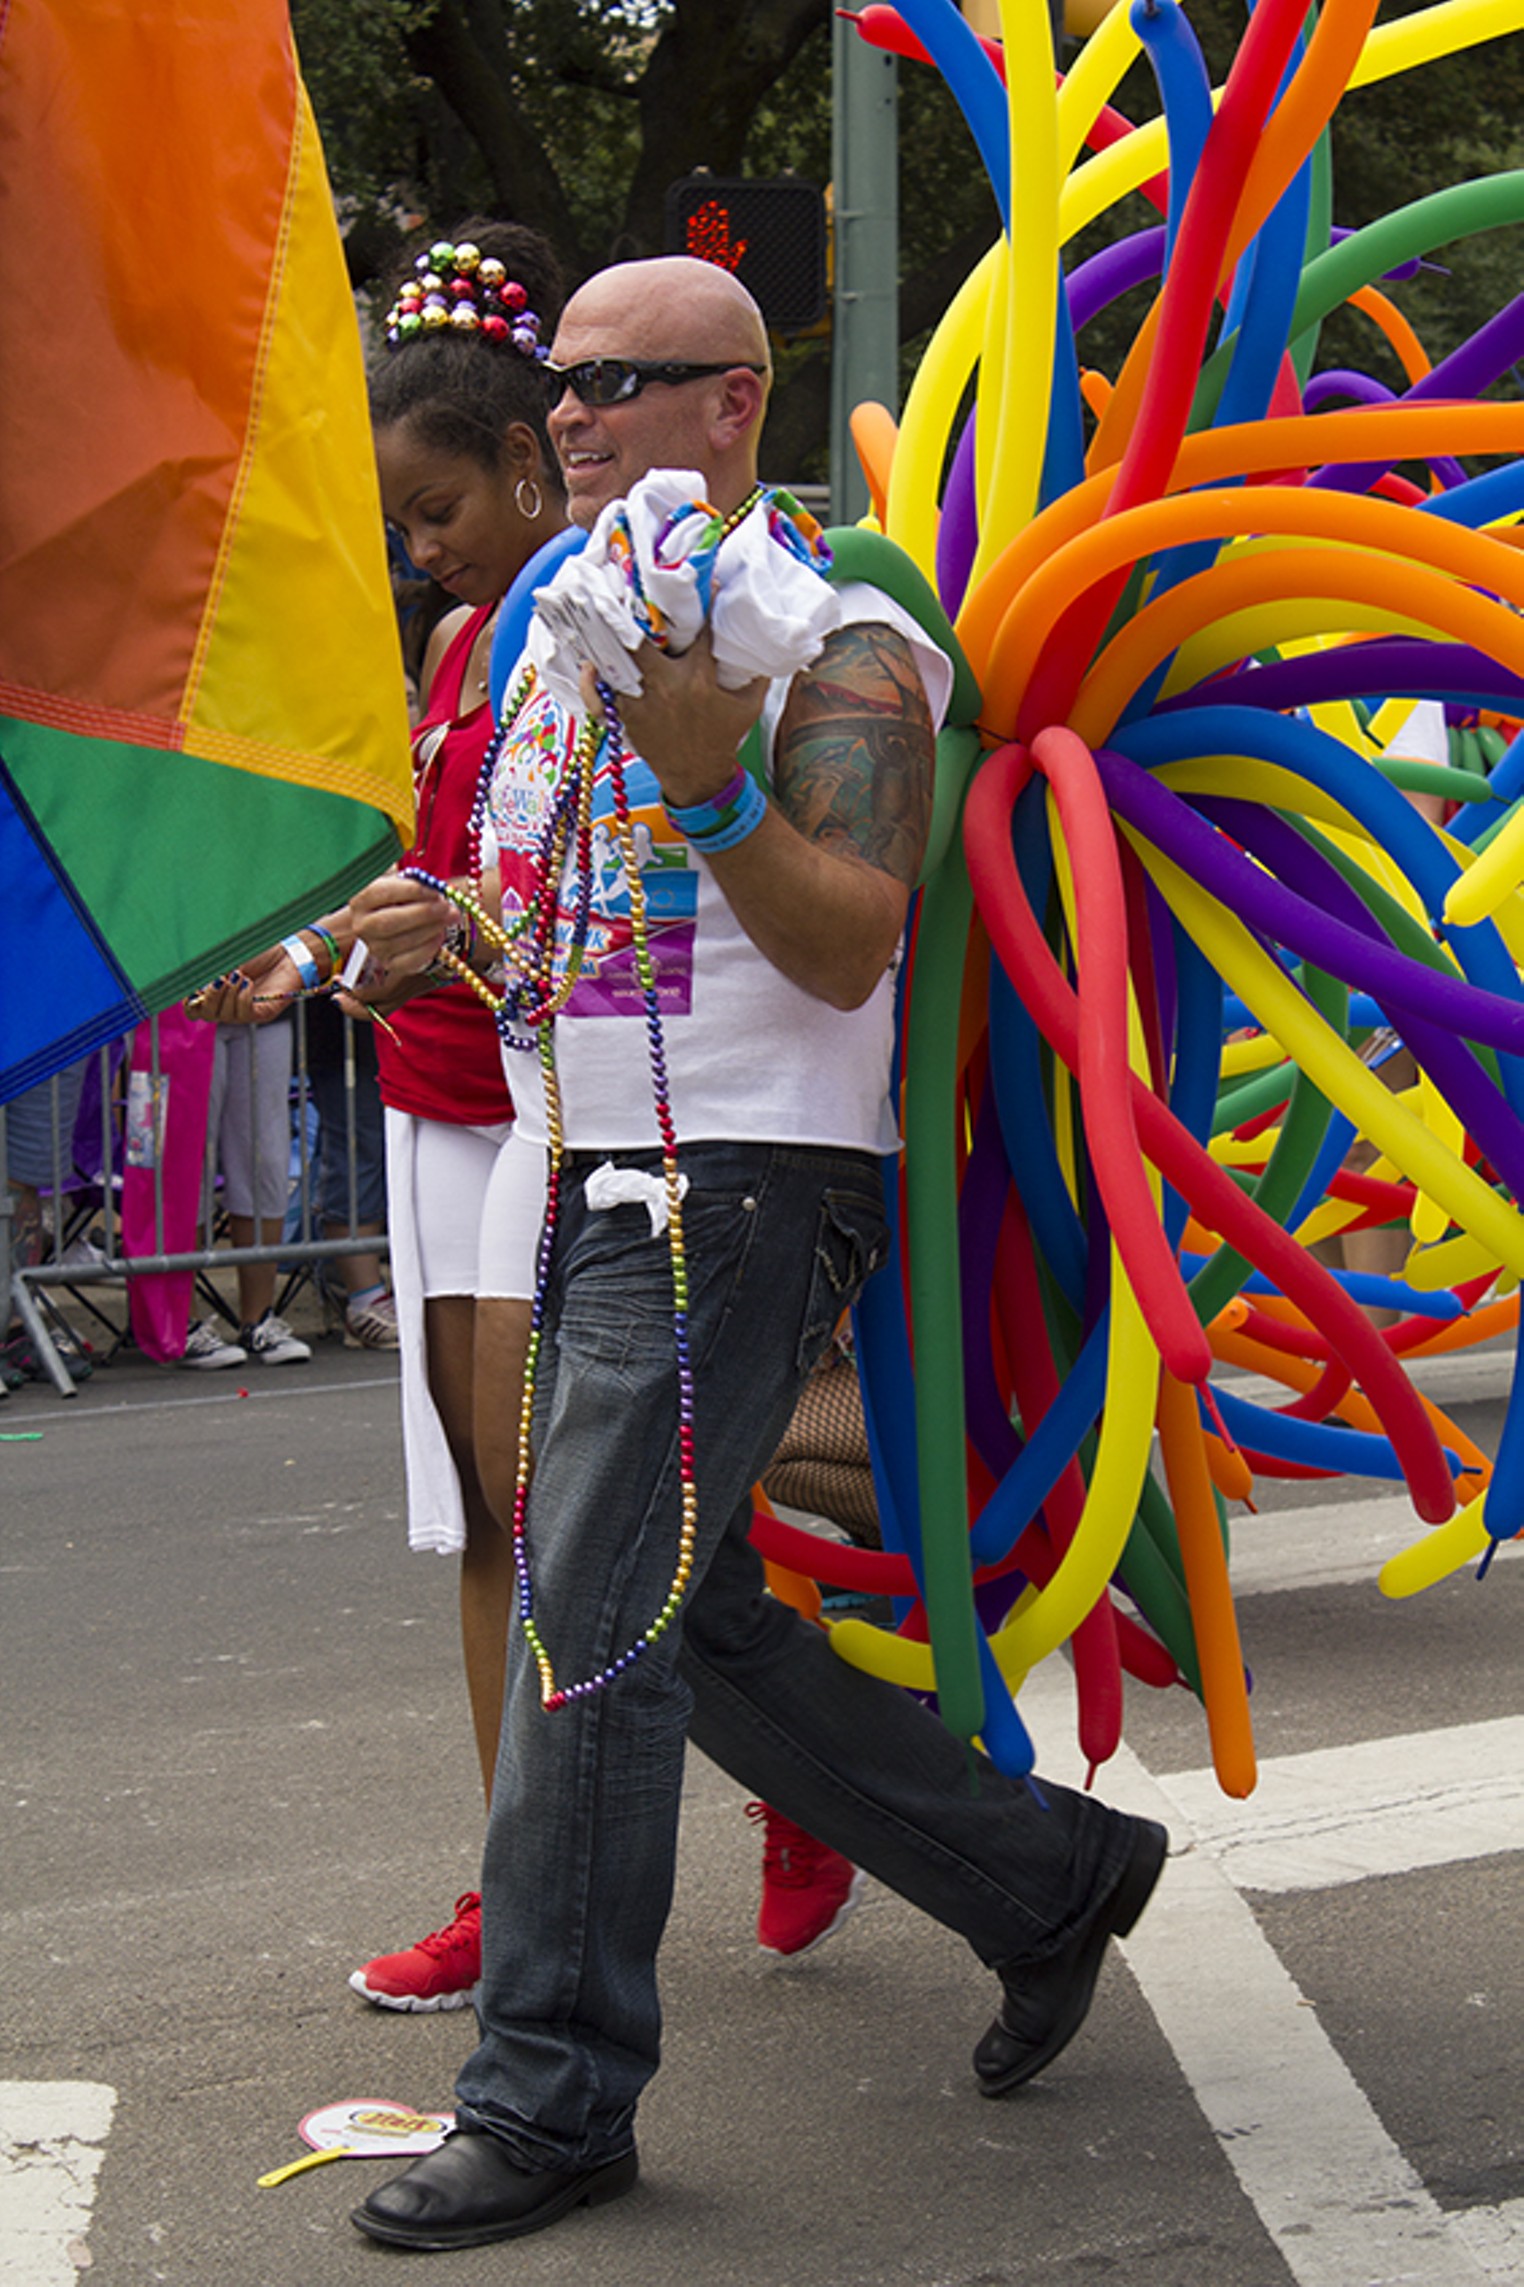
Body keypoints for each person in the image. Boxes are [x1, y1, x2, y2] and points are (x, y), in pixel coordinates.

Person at [345, 254, 1166, 2256]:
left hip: (742, 1186)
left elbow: (844, 937)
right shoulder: (596, 625)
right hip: (601, 1167)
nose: (578, 417)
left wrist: (715, 775)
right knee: (673, 1624)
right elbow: (571, 924)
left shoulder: (850, 631)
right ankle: (1044, 1875)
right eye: (564, 388)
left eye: (625, 383)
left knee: (592, 1635)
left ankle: (548, 2096)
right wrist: (438, 924)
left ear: (743, 400)